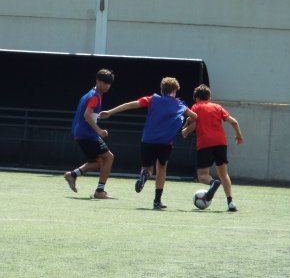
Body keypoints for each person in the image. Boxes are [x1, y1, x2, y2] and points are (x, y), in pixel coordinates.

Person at [99, 77, 196, 210]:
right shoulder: (179, 105)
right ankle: (157, 201)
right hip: (165, 143)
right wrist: (187, 123)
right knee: (161, 169)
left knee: (147, 168)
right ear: (174, 91)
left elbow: (130, 104)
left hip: (148, 140)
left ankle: (145, 175)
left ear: (162, 90)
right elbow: (195, 116)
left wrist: (110, 112)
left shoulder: (153, 99)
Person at [181, 84, 244, 212]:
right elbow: (234, 122)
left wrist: (185, 131)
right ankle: (231, 202)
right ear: (209, 97)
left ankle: (213, 183)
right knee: (224, 174)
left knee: (202, 175)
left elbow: (194, 124)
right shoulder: (217, 107)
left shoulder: (196, 107)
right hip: (221, 143)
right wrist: (238, 135)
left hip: (205, 144)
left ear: (196, 98)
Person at [64, 68, 115, 199]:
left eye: (109, 83)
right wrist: (99, 130)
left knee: (99, 162)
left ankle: (73, 175)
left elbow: (87, 114)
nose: (107, 86)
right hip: (88, 134)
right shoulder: (95, 96)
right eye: (105, 82)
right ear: (98, 81)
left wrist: (97, 117)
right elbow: (87, 115)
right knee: (109, 158)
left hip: (81, 133)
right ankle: (99, 191)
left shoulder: (90, 94)